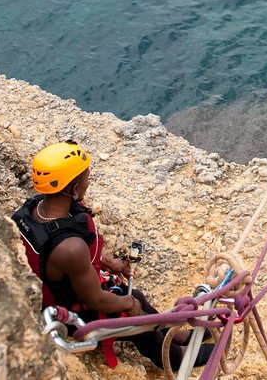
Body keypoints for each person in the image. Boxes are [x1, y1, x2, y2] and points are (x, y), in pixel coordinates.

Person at [11, 141, 213, 370]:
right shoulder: (70, 248)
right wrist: (130, 304)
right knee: (134, 313)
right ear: (74, 186)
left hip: (62, 290)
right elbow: (95, 299)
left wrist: (110, 263)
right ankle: (175, 357)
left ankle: (174, 335)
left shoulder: (33, 209)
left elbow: (64, 257)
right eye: (85, 177)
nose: (88, 182)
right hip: (71, 316)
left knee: (135, 294)